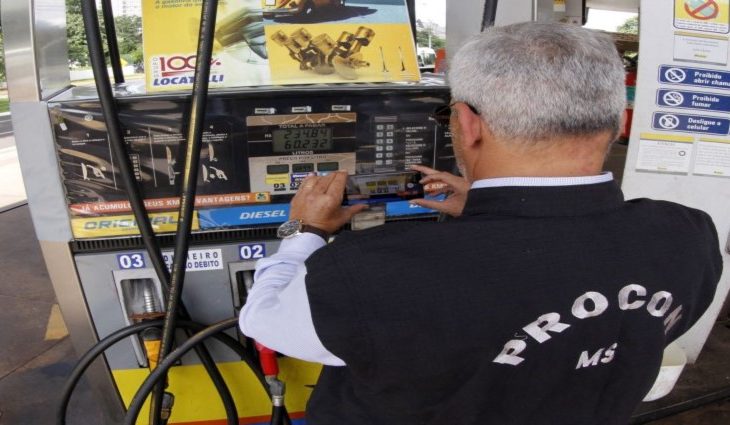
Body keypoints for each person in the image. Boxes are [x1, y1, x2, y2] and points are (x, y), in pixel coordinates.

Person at [240, 22, 723, 424]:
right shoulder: (689, 235)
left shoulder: (371, 272)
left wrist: (305, 234)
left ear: (468, 125)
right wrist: (486, 210)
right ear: (618, 122)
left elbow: (265, 321)